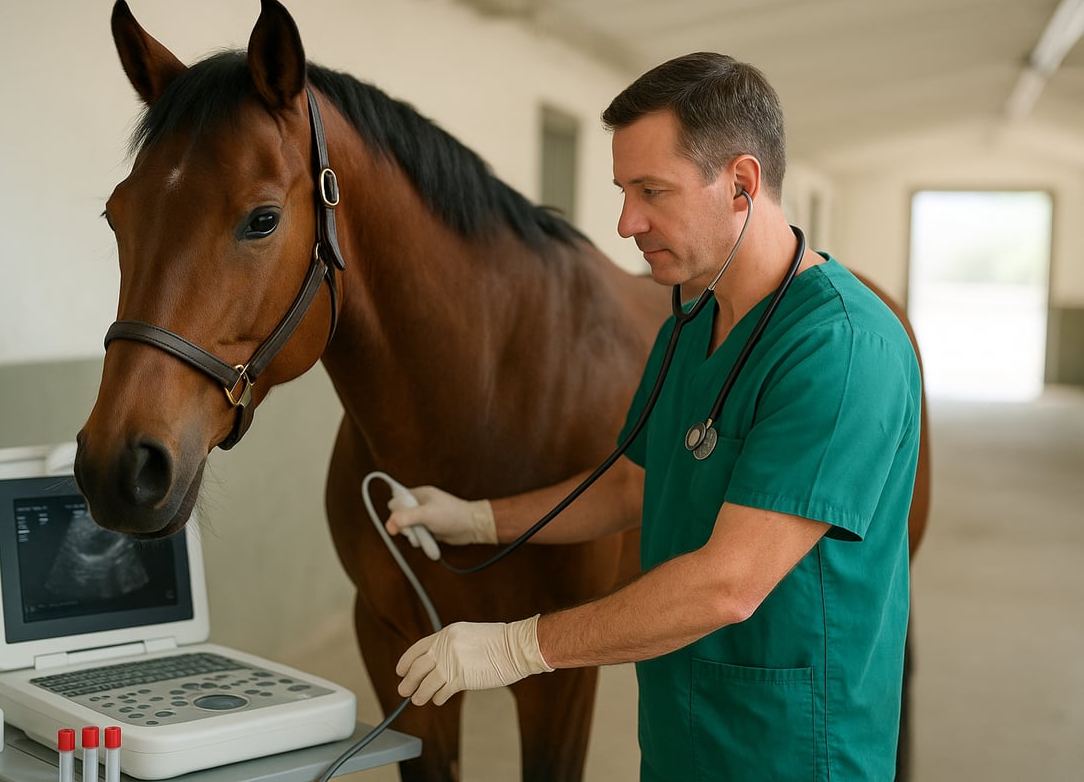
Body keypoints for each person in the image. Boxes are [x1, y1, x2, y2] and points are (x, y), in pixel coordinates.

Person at [385, 52, 921, 781]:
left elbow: (729, 584)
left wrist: (515, 648)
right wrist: (478, 519)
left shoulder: (841, 349)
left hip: (793, 748)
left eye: (652, 191)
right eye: (623, 191)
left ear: (741, 184)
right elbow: (634, 484)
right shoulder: (689, 328)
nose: (625, 222)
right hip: (680, 732)